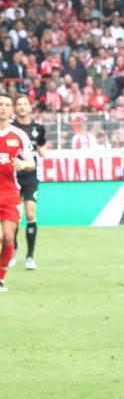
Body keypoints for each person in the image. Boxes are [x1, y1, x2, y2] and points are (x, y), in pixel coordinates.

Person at [0, 93, 36, 292]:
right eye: (0, 104)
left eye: (7, 105)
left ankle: (0, 279)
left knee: (8, 237)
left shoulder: (19, 135)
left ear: (11, 109)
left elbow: (32, 162)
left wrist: (23, 164)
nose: (3, 108)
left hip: (10, 194)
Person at [9, 95, 46, 270]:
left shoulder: (38, 128)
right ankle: (14, 248)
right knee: (14, 217)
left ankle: (30, 256)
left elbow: (41, 147)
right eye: (19, 104)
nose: (22, 107)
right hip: (13, 176)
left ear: (30, 107)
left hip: (31, 175)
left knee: (30, 214)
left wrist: (41, 151)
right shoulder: (10, 128)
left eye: (25, 104)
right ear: (15, 108)